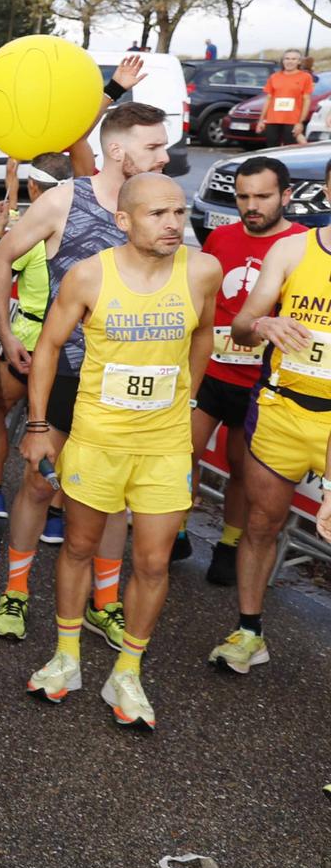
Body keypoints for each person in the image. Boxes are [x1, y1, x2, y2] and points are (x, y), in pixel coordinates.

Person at [22, 174, 219, 729]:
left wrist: (189, 397)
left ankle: (127, 671)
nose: (174, 224)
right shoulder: (89, 276)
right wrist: (39, 426)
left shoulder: (202, 271)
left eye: (179, 213)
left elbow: (202, 334)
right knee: (79, 547)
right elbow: (48, 348)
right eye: (159, 214)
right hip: (98, 440)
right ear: (123, 220)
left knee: (154, 561)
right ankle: (66, 658)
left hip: (163, 447)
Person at [0, 93, 168, 644]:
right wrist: (6, 331)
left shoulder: (163, 209)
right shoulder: (66, 199)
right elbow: (0, 258)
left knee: (113, 499)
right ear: (117, 150)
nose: (163, 157)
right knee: (41, 487)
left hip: (130, 384)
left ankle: (104, 602)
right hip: (66, 373)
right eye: (153, 146)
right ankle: (16, 592)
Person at [192, 156, 300, 586]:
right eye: (243, 197)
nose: (251, 205)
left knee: (241, 468)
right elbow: (200, 299)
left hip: (260, 384)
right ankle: (176, 530)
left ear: (285, 196)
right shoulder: (219, 237)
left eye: (262, 196)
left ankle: (229, 544)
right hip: (210, 371)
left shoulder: (300, 246)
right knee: (181, 453)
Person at [0, 154, 66, 585]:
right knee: (62, 427)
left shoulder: (32, 231)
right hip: (70, 349)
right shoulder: (81, 223)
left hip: (27, 345)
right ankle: (55, 515)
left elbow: (1, 265)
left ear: (34, 188)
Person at [259, 49, 314, 148]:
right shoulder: (274, 77)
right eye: (287, 58)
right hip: (273, 120)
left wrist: (300, 122)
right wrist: (261, 120)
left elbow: (307, 100)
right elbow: (268, 99)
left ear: (299, 62)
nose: (290, 61)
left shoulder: (305, 77)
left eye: (293, 59)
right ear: (283, 61)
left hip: (292, 120)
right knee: (271, 148)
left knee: (290, 149)